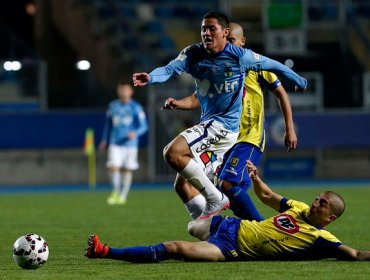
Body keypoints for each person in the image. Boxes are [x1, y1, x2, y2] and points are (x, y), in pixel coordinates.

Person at [133, 11, 307, 218]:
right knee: (183, 185)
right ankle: (212, 231)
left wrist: (298, 80)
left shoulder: (241, 57)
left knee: (175, 154)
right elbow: (171, 70)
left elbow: (274, 66)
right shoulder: (193, 54)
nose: (206, 33)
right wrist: (151, 77)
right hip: (214, 132)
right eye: (203, 29)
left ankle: (240, 216)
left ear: (226, 34)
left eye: (211, 29)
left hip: (228, 129)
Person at [85, 161, 370, 262]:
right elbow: (269, 196)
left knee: (174, 247)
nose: (316, 202)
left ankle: (105, 251)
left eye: (322, 204)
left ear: (330, 218)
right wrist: (257, 179)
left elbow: (355, 254)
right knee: (182, 187)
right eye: (318, 198)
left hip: (229, 248)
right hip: (230, 225)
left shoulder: (321, 239)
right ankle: (202, 167)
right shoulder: (299, 208)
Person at [99, 81, 148, 205]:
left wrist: (135, 133)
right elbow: (108, 124)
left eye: (126, 90)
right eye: (121, 90)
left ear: (131, 92)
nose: (123, 92)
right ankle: (115, 192)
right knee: (113, 167)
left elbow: (144, 126)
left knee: (126, 169)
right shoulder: (113, 106)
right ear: (118, 92)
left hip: (130, 144)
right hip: (115, 142)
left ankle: (123, 195)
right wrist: (104, 139)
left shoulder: (136, 107)